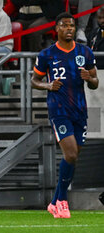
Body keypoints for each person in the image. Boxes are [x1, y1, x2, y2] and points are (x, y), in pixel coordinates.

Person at [31, 12, 99, 218]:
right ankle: (62, 201)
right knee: (70, 154)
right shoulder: (47, 54)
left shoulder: (84, 52)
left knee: (74, 156)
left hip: (80, 109)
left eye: (72, 26)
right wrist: (48, 85)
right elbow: (34, 80)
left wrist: (89, 79)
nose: (69, 29)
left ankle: (54, 201)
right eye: (65, 25)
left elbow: (95, 82)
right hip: (58, 109)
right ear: (57, 28)